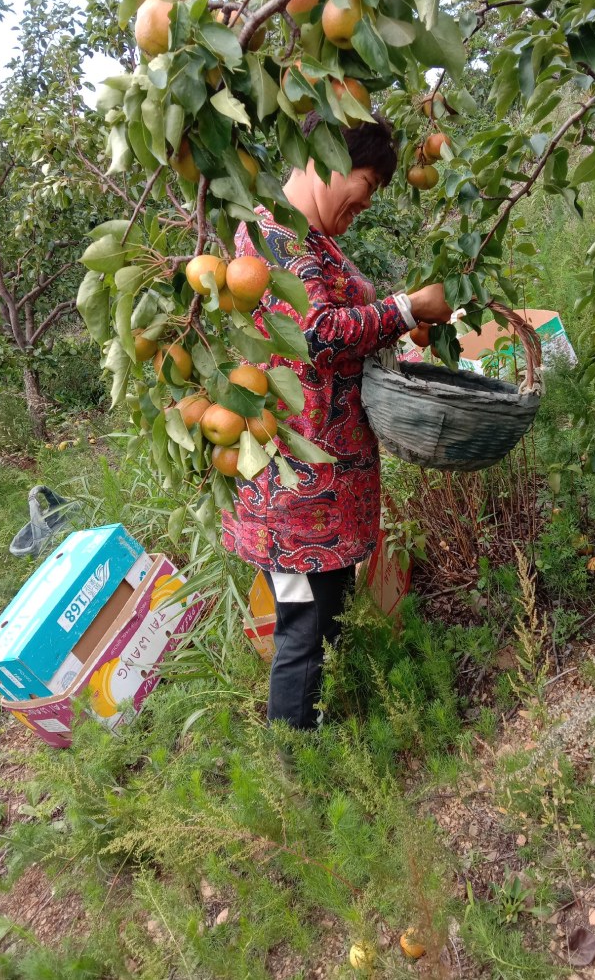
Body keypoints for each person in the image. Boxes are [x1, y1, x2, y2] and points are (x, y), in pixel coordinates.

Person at [222, 111, 451, 731]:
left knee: (326, 618)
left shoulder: (311, 241)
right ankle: (298, 772)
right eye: (369, 184)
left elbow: (340, 335)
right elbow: (318, 334)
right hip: (291, 499)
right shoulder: (273, 236)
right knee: (302, 627)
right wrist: (403, 308)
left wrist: (398, 323)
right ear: (325, 155)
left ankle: (330, 728)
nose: (369, 202)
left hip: (324, 494)